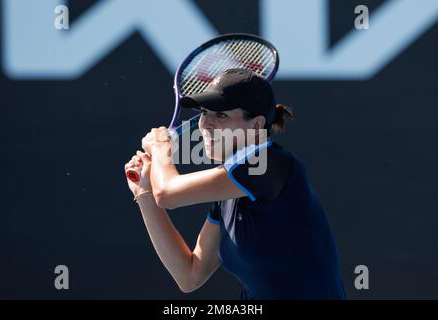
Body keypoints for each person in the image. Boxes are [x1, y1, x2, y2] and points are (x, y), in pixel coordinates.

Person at [124, 68, 346, 299]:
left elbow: (167, 194)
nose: (206, 124)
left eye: (221, 116)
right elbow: (189, 275)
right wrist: (144, 193)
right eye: (204, 112)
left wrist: (160, 149)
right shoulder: (230, 188)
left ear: (256, 125)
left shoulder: (269, 165)